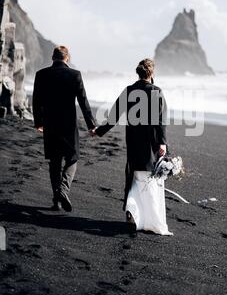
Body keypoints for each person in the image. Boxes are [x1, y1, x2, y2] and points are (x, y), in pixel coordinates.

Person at [93, 58, 173, 236]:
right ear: (151, 73)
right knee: (149, 179)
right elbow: (161, 121)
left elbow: (114, 116)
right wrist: (162, 143)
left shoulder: (129, 91)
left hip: (134, 140)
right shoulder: (156, 91)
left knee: (136, 174)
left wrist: (99, 131)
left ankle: (132, 211)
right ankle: (140, 214)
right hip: (150, 142)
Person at [32, 46, 95, 211]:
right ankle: (63, 190)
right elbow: (83, 101)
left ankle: (56, 200)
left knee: (54, 161)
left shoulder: (41, 74)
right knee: (72, 158)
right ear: (67, 58)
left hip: (50, 123)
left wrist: (38, 122)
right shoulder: (75, 75)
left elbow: (36, 100)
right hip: (68, 125)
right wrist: (91, 125)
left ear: (53, 57)